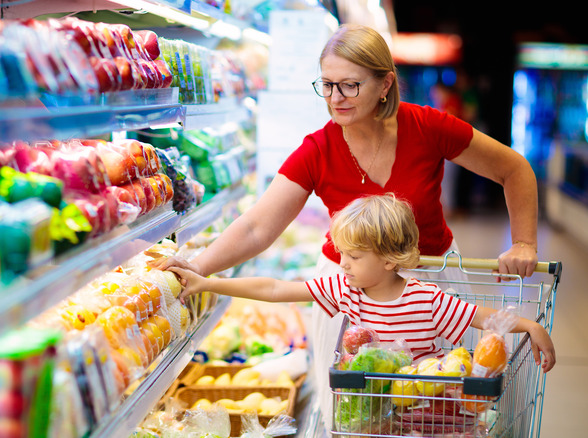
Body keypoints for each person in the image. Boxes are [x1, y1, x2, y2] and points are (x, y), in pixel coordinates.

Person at [150, 23, 540, 429]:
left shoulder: (428, 127)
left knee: (433, 408)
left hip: (430, 288)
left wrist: (525, 242)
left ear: (385, 83)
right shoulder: (318, 149)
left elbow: (513, 169)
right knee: (355, 416)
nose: (336, 98)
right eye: (327, 85)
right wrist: (200, 266)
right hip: (351, 294)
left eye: (350, 85)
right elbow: (256, 228)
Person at [169, 194, 556, 371]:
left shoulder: (428, 299)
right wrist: (207, 282)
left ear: (389, 260)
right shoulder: (344, 289)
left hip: (421, 413)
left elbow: (479, 317)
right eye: (342, 254)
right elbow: (274, 289)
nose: (342, 263)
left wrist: (529, 325)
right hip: (365, 416)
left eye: (353, 257)